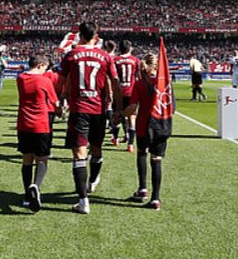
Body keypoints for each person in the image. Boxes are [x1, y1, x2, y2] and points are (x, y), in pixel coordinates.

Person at [59, 21, 121, 215]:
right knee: (96, 149)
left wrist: (60, 101)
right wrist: (118, 109)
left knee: (79, 154)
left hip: (79, 110)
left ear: (79, 35)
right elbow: (115, 82)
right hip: (98, 110)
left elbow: (62, 82)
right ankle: (93, 181)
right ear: (97, 36)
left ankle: (83, 201)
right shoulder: (105, 56)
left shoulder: (71, 55)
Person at [128, 51, 174, 211]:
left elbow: (133, 107)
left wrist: (120, 114)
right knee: (157, 160)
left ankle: (142, 189)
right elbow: (172, 107)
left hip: (143, 124)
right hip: (161, 125)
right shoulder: (165, 84)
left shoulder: (140, 83)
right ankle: (156, 198)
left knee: (142, 153)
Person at [16, 53, 59, 212]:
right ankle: (36, 186)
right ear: (40, 65)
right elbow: (55, 101)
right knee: (42, 160)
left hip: (23, 124)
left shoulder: (20, 79)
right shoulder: (45, 81)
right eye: (45, 68)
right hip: (41, 124)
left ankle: (27, 195)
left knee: (27, 160)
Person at [112, 41, 140, 151]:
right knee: (132, 117)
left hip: (119, 92)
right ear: (129, 48)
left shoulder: (115, 60)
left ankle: (115, 138)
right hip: (131, 92)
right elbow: (139, 77)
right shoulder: (135, 60)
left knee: (117, 116)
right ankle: (131, 144)